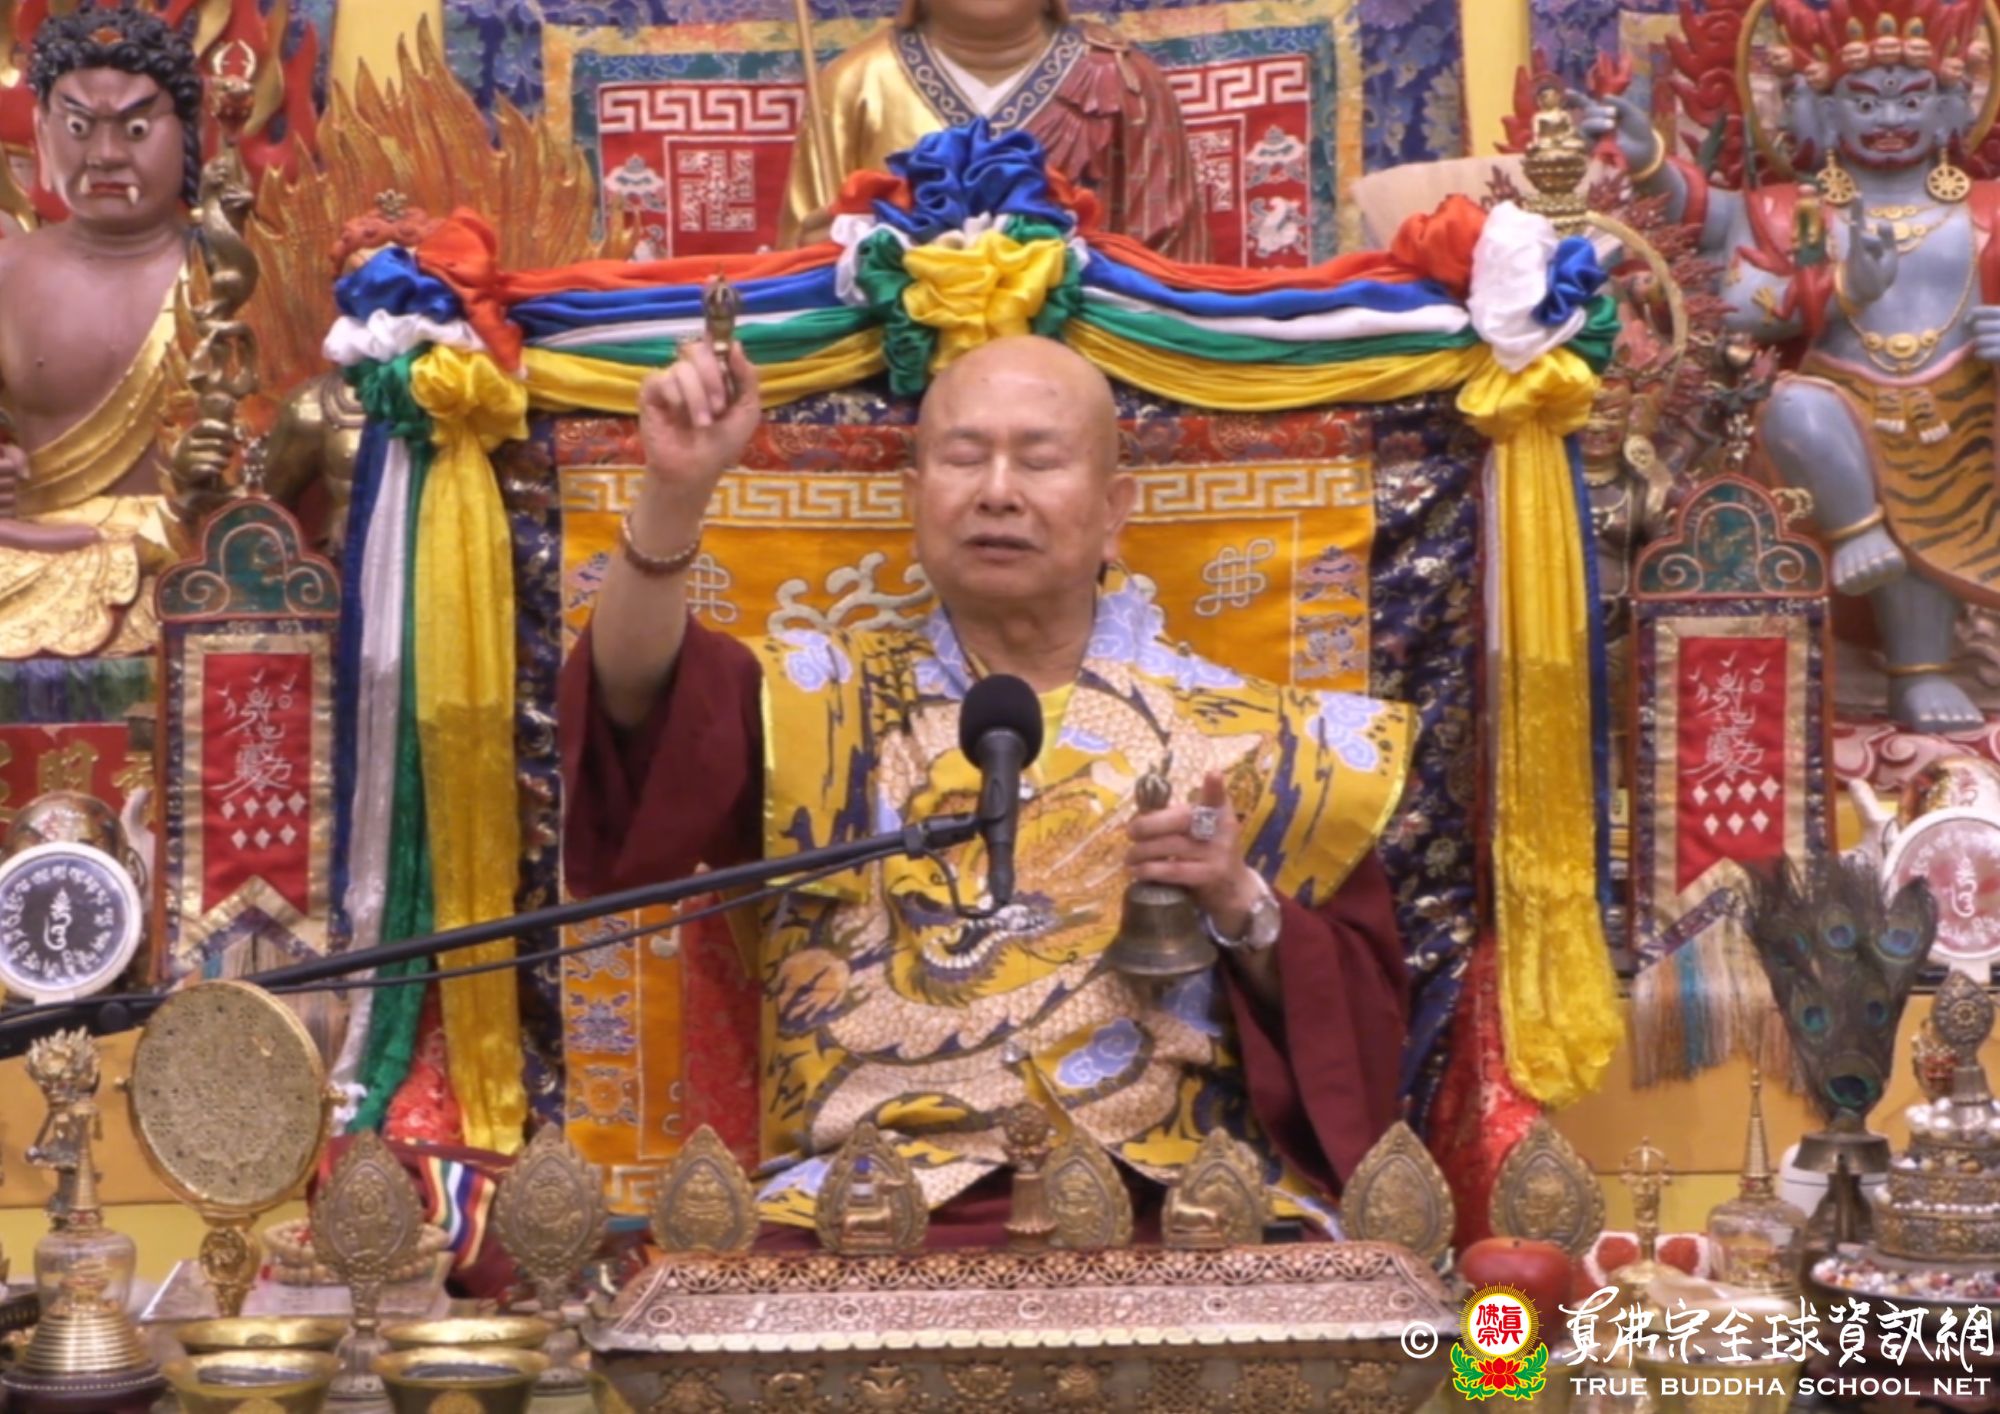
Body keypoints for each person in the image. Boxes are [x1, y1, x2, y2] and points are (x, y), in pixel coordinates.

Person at [561, 333, 1410, 1243]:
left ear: (1114, 508)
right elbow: (635, 711)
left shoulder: (1263, 742)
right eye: (964, 458)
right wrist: (676, 490)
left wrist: (1240, 903)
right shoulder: (814, 701)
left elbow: (1360, 1035)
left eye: (1039, 461)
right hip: (865, 1206)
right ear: (914, 497)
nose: (997, 491)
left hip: (1178, 1199)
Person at [0, 7, 199, 657]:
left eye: (136, 128)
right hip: (33, 553)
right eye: (79, 127)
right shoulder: (7, 270)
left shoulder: (235, 270)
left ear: (186, 134)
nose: (107, 155)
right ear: (42, 131)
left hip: (192, 556)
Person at [778, 0, 1206, 260]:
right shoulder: (855, 82)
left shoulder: (1121, 82)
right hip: (892, 351)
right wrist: (828, 252)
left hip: (1087, 358)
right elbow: (795, 269)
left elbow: (1174, 268)